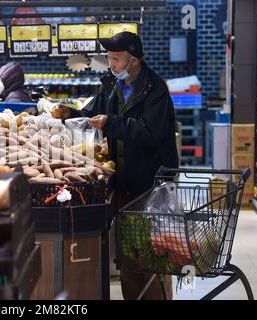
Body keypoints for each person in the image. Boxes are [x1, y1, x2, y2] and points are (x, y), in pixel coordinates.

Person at [52, 31, 179, 300]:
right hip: (122, 180)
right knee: (128, 254)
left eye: (117, 60)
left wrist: (111, 122)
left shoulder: (155, 90)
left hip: (150, 182)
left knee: (151, 252)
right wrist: (71, 113)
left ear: (133, 61)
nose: (112, 65)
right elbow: (93, 114)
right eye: (109, 59)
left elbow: (149, 132)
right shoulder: (110, 84)